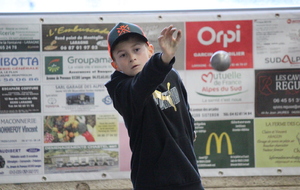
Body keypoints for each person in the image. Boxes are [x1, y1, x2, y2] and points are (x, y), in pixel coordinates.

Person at [105, 22, 205, 190]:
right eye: (123, 55)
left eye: (137, 49)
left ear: (150, 49)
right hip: (152, 181)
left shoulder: (171, 74)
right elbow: (143, 84)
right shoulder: (120, 89)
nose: (132, 57)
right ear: (115, 65)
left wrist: (188, 132)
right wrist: (164, 59)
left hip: (188, 175)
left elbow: (185, 111)